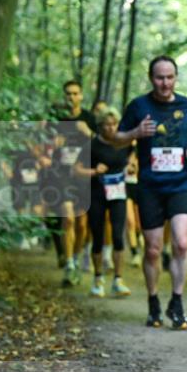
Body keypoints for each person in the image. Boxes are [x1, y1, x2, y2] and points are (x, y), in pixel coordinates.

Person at [112, 55, 187, 330]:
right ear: (152, 79)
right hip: (150, 186)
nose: (165, 83)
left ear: (176, 78)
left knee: (182, 243)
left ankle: (177, 301)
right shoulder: (138, 106)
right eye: (160, 78)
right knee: (152, 250)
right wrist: (136, 132)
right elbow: (116, 138)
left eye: (170, 77)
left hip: (182, 184)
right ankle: (153, 302)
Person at [73, 107, 133, 297]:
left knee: (117, 235)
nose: (110, 128)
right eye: (106, 124)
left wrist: (132, 165)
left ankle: (118, 279)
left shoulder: (124, 143)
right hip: (96, 193)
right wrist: (94, 171)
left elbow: (133, 156)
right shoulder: (91, 146)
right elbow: (76, 170)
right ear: (99, 126)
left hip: (118, 194)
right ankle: (98, 278)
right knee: (97, 236)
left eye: (114, 124)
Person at [49, 80, 96, 286]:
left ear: (81, 96)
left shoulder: (88, 118)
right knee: (68, 219)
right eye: (68, 94)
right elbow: (42, 148)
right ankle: (69, 265)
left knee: (83, 224)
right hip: (62, 175)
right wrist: (52, 144)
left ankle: (75, 258)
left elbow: (103, 142)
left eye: (75, 93)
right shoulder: (55, 119)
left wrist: (89, 133)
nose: (71, 97)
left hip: (83, 175)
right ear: (64, 96)